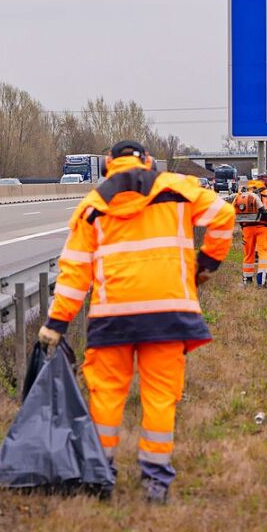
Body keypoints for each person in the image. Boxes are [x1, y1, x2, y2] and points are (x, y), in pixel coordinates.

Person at [38, 140, 236, 503]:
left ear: (107, 167)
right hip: (169, 314)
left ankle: (102, 475)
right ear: (148, 162)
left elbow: (74, 273)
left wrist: (57, 322)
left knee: (107, 395)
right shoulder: (175, 188)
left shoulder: (93, 206)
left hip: (112, 318)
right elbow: (223, 215)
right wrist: (205, 266)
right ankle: (156, 481)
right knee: (161, 396)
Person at [237, 172, 267, 287]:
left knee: (248, 253)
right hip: (263, 227)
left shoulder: (243, 193)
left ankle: (247, 280)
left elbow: (234, 209)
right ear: (264, 181)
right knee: (262, 253)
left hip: (247, 228)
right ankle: (261, 282)